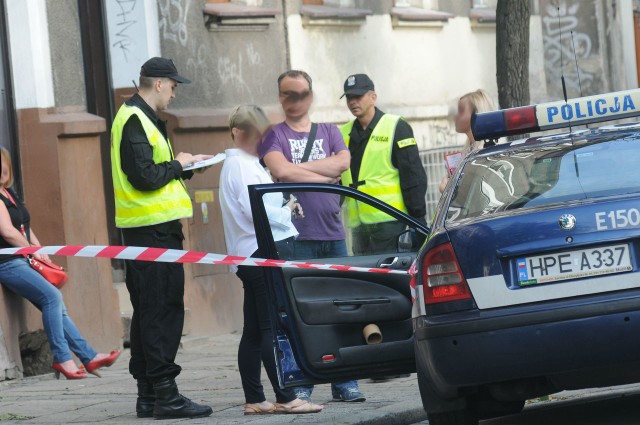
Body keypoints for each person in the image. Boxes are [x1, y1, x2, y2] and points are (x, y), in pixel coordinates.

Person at [110, 57, 213, 420]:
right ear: (157, 83)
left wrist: (184, 166)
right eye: (173, 85)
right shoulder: (134, 119)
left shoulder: (143, 118)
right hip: (149, 232)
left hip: (155, 229)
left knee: (151, 311)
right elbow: (144, 176)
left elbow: (154, 175)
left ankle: (149, 396)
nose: (174, 92)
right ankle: (166, 395)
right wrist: (179, 165)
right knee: (161, 312)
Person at [259, 70, 365, 403]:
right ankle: (301, 382)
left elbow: (342, 164)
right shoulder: (272, 135)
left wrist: (299, 170)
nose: (295, 100)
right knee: (295, 313)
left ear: (311, 95)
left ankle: (345, 382)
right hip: (294, 237)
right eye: (288, 94)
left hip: (332, 233)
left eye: (301, 94)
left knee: (340, 308)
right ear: (280, 97)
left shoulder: (331, 131)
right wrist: (323, 168)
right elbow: (280, 171)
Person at [219, 105, 323, 415]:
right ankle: (286, 396)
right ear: (238, 133)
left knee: (253, 329)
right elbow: (257, 210)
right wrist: (287, 208)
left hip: (251, 252)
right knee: (270, 328)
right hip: (258, 251)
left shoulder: (245, 162)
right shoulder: (241, 166)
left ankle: (255, 397)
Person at [0, 148, 121, 380]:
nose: (3, 168)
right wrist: (33, 252)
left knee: (56, 303)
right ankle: (62, 358)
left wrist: (41, 252)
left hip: (22, 259)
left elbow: (25, 227)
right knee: (52, 298)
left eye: (4, 162)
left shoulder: (9, 192)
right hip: (7, 263)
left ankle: (88, 356)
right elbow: (7, 231)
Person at [340, 74, 427, 255]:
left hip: (391, 224)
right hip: (359, 228)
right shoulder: (342, 133)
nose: (353, 102)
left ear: (373, 97)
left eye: (358, 96)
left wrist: (418, 219)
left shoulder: (396, 126)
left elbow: (413, 176)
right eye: (349, 97)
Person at [439, 89, 495, 193]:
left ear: (476, 114)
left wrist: (446, 190)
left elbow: (473, 193)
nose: (455, 117)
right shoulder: (469, 151)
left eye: (461, 111)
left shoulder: (482, 153)